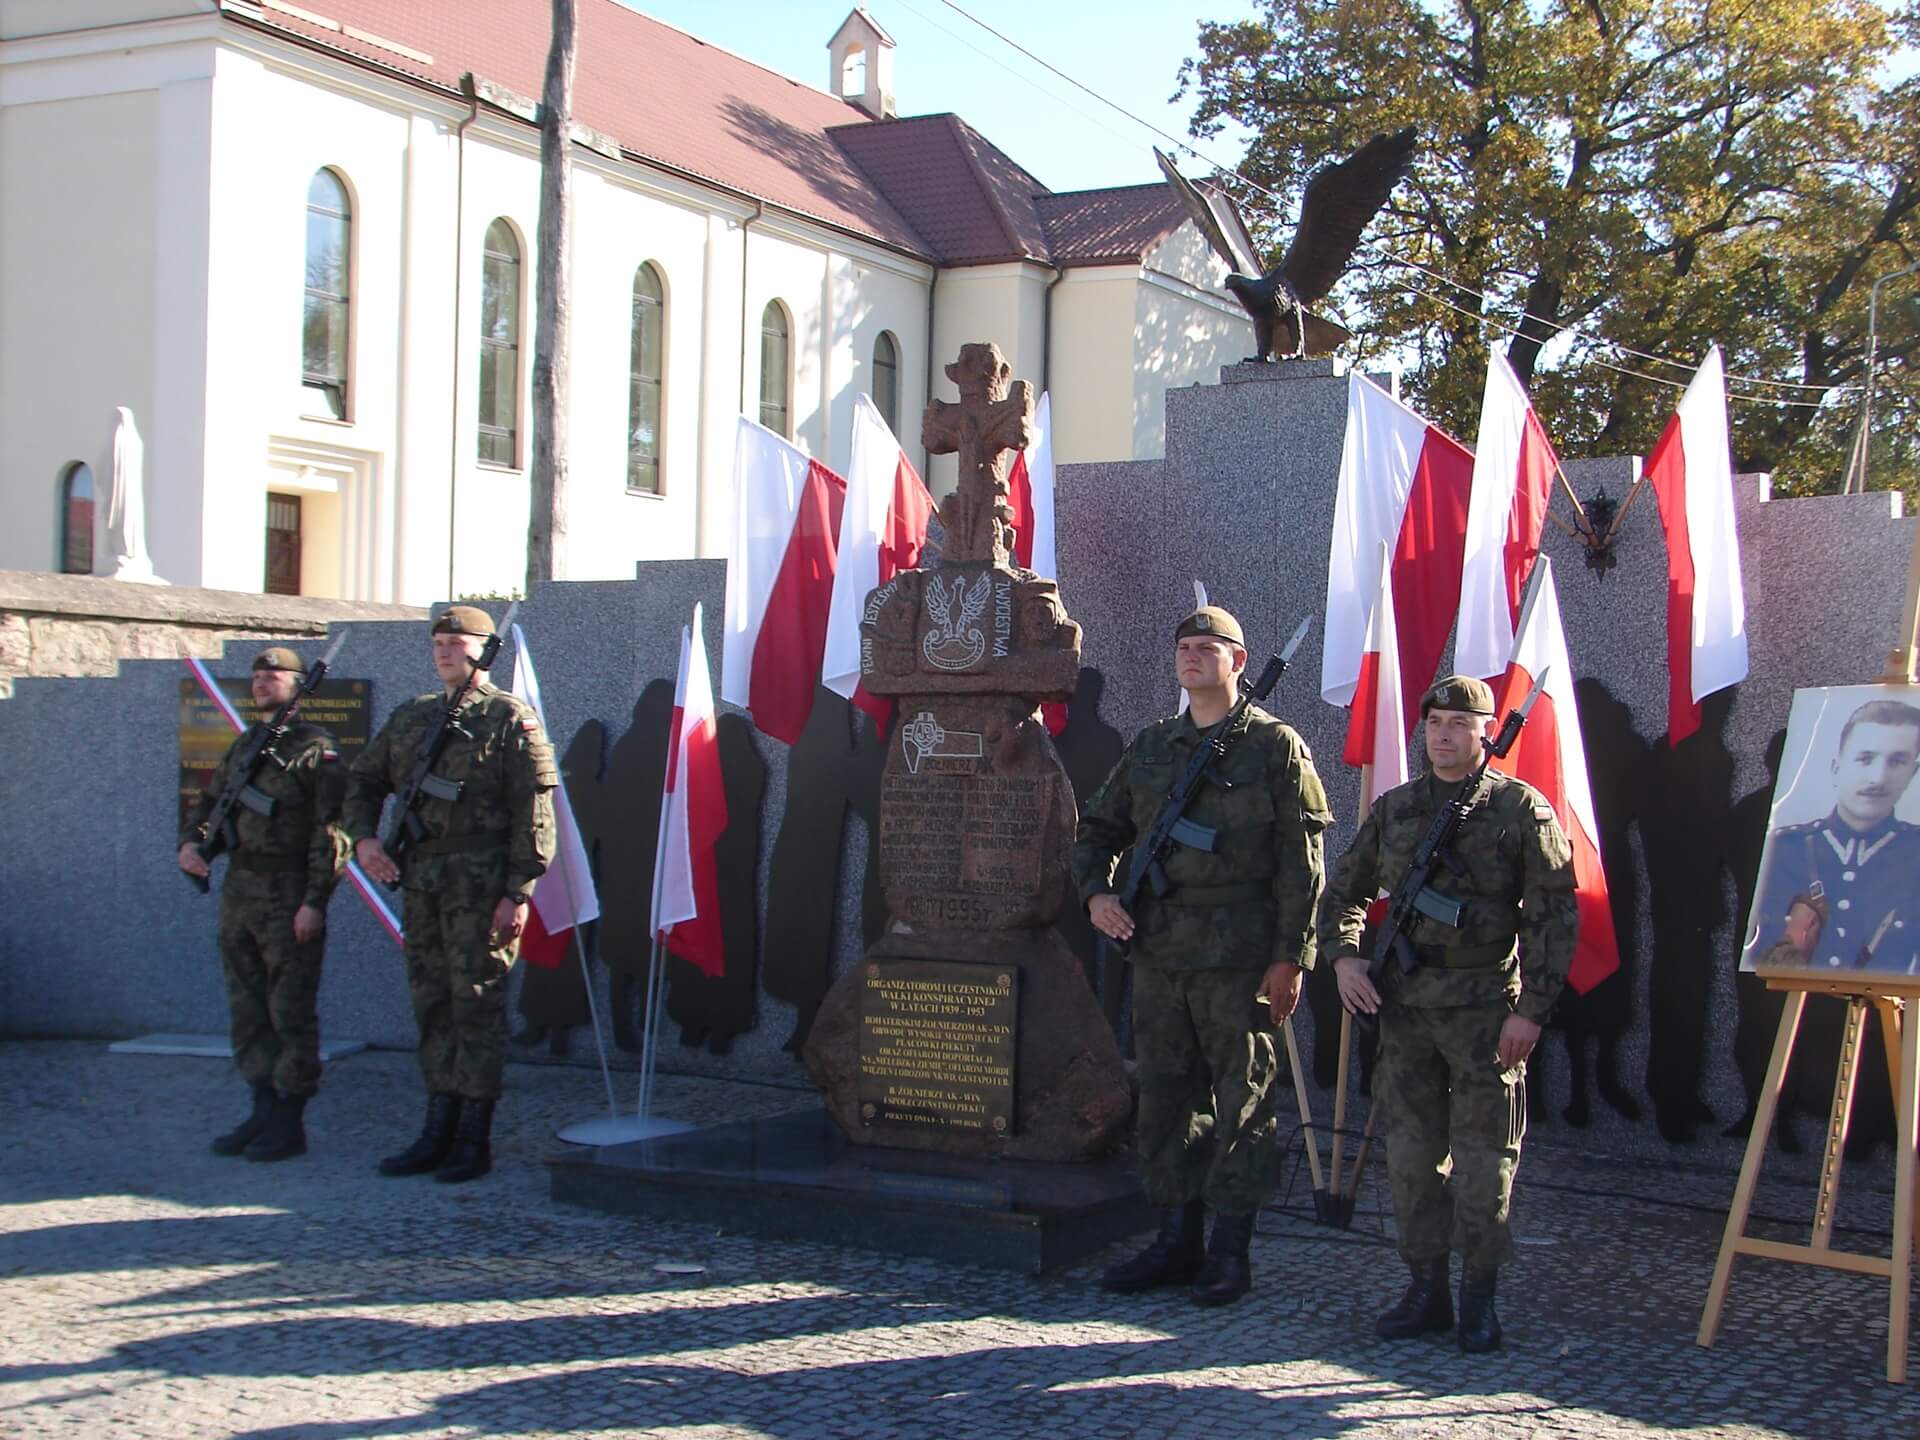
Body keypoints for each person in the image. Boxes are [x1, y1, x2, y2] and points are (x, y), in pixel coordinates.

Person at [1072, 605, 1332, 1305]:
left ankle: (1230, 1252)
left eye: (1208, 647)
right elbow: (1095, 830)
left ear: (1238, 662)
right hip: (1159, 954)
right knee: (1165, 1099)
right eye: (1184, 646)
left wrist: (1291, 956)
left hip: (1240, 959)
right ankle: (1175, 1240)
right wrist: (1097, 896)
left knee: (1242, 1100)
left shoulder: (1275, 747)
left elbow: (1302, 864)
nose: (1191, 656)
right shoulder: (1153, 745)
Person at [1321, 675, 1577, 1353]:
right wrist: (1345, 959)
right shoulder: (1398, 808)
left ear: (1488, 733)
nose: (1443, 734)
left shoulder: (1520, 811)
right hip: (1406, 1012)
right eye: (1434, 722)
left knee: (1485, 1163)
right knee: (1410, 1159)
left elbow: (1554, 917)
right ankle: (1425, 1289)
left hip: (1486, 1013)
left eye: (1460, 723)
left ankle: (1478, 1297)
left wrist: (1533, 1011)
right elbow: (1343, 892)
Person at [345, 606, 557, 1183]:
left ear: (484, 650)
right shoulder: (412, 716)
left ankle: (472, 1136)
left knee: (476, 1005)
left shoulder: (509, 718)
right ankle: (436, 1127)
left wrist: (518, 891)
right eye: (437, 642)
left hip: (481, 887)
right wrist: (363, 839)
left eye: (456, 642)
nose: (443, 651)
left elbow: (534, 812)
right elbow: (363, 780)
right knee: (432, 1004)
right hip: (423, 883)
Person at [178, 647, 348, 1162]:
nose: (261, 682)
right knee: (247, 1006)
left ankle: (289, 1119)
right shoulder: (246, 744)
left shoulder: (316, 751)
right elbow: (211, 804)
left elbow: (331, 833)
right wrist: (193, 844)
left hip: (288, 892)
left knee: (289, 1008)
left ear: (298, 685)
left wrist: (315, 901)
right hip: (240, 892)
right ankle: (261, 1106)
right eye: (256, 676)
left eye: (273, 675)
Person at [1746, 698, 1920, 974]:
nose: (1878, 777)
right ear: (1837, 767)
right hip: (1790, 998)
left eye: (1897, 761)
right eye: (1865, 759)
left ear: (1912, 773)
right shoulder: (1783, 849)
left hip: (1883, 1001)